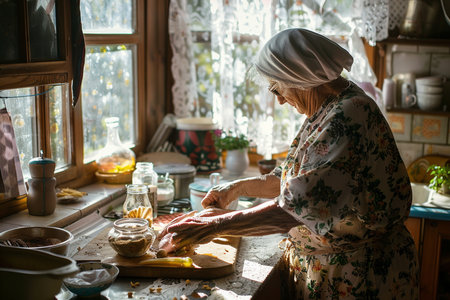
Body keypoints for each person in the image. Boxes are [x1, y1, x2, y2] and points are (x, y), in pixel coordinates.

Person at [158, 28, 419, 299]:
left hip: (361, 278)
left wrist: (213, 226)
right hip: (338, 269)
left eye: (276, 89)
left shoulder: (348, 116)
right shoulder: (332, 105)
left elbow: (296, 209)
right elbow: (297, 180)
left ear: (298, 77)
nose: (280, 100)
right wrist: (234, 189)